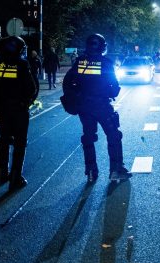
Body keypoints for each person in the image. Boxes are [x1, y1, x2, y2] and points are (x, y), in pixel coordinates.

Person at [62, 33, 132, 183]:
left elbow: (67, 83)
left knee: (88, 137)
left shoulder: (79, 62)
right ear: (102, 47)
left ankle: (91, 171)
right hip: (101, 106)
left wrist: (75, 98)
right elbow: (114, 86)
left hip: (84, 107)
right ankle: (116, 169)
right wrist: (110, 92)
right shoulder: (106, 63)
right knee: (114, 135)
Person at [0, 36, 37, 189]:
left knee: (4, 140)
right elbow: (31, 88)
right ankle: (15, 177)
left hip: (2, 110)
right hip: (18, 110)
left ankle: (1, 174)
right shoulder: (21, 63)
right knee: (20, 143)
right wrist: (26, 101)